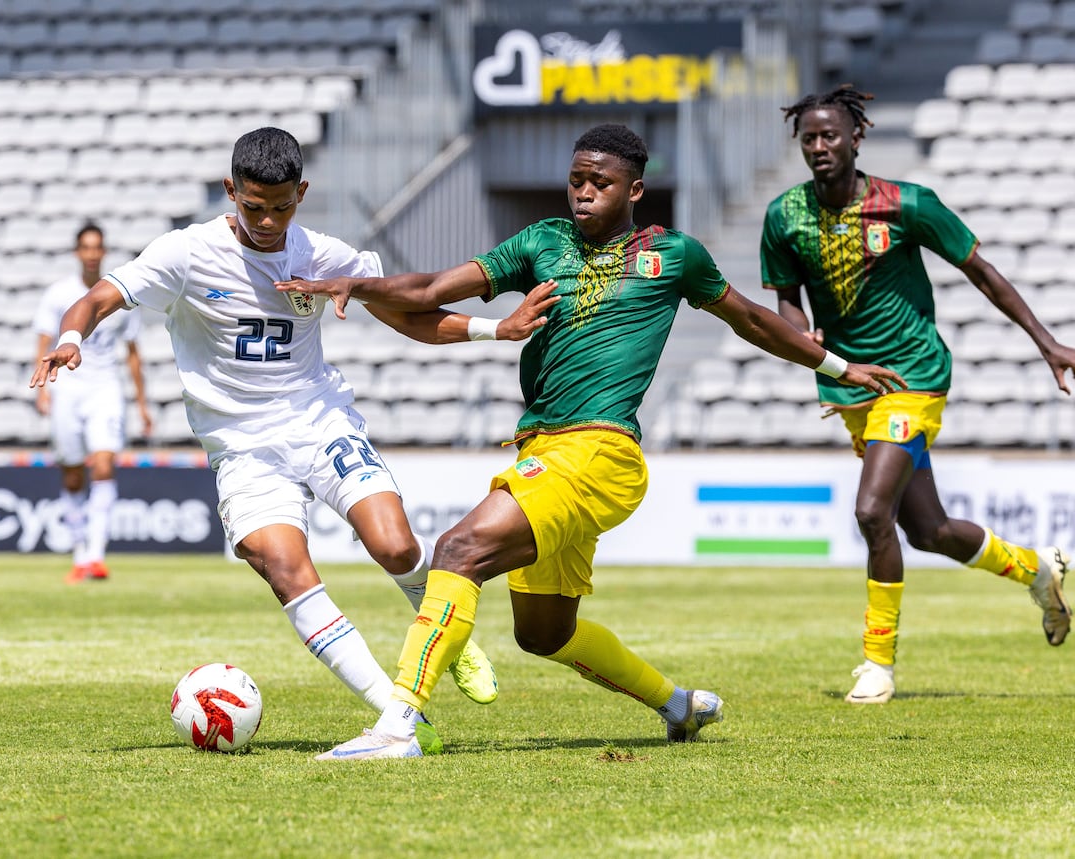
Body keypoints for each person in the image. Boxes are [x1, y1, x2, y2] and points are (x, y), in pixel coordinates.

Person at [275, 123, 905, 760]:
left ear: (634, 190)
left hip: (601, 453)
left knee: (458, 549)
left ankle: (398, 727)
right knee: (544, 633)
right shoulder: (541, 242)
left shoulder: (674, 255)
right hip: (542, 451)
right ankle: (677, 704)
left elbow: (751, 318)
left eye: (599, 183)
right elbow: (434, 290)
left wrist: (837, 366)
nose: (583, 193)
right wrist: (355, 284)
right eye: (576, 180)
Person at [30, 127, 559, 725]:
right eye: (253, 207)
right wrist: (71, 339)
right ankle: (396, 714)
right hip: (242, 448)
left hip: (319, 420)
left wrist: (497, 329)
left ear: (301, 193)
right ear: (231, 190)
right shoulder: (185, 253)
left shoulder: (323, 255)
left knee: (396, 544)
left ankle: (445, 633)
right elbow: (99, 298)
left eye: (281, 208)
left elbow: (411, 317)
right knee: (285, 567)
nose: (267, 222)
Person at [760, 85, 1075, 705]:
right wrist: (806, 338)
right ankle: (1037, 569)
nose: (820, 147)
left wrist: (1047, 342)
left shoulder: (907, 205)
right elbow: (787, 304)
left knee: (872, 512)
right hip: (853, 385)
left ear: (857, 138)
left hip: (914, 376)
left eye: (830, 136)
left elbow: (982, 271)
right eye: (809, 139)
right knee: (929, 532)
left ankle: (877, 664)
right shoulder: (783, 216)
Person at [33, 222, 153, 584]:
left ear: (102, 252)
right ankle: (79, 550)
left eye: (96, 247)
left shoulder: (116, 295)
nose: (91, 254)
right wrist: (42, 390)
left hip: (106, 391)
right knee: (72, 472)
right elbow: (43, 341)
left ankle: (96, 556)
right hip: (67, 390)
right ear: (77, 252)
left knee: (103, 466)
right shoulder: (58, 294)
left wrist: (143, 403)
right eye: (85, 247)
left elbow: (133, 355)